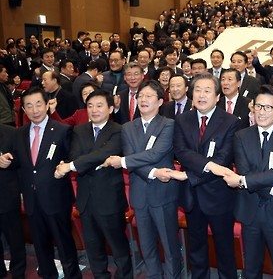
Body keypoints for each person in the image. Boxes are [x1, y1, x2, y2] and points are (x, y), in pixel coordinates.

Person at [104, 81, 182, 278]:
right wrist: (154, 173)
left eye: (149, 96)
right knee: (146, 246)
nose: (143, 99)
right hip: (140, 195)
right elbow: (134, 159)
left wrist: (123, 161)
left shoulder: (169, 124)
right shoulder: (128, 127)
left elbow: (156, 154)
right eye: (140, 96)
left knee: (169, 246)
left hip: (163, 195)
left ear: (160, 101)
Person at [54, 89, 132, 278]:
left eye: (99, 106)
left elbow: (105, 153)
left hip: (110, 200)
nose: (94, 110)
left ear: (110, 108)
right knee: (93, 248)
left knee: (118, 248)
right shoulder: (80, 129)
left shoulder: (119, 130)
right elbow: (77, 155)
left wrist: (76, 165)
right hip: (86, 200)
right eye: (90, 106)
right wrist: (92, 163)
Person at [6, 87, 81, 278]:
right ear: (23, 110)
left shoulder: (62, 130)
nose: (35, 109)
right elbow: (19, 161)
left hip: (56, 199)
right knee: (40, 246)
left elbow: (73, 157)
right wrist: (7, 159)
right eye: (29, 106)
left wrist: (67, 164)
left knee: (64, 244)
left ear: (47, 104)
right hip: (32, 199)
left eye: (39, 104)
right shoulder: (18, 133)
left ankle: (73, 275)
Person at [173, 73, 240, 279]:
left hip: (219, 196)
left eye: (207, 91)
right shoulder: (182, 119)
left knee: (224, 248)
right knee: (196, 248)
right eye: (198, 90)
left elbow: (224, 159)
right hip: (192, 196)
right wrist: (208, 165)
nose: (202, 95)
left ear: (218, 96)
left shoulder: (231, 121)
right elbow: (181, 152)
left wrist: (191, 176)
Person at [230, 85, 273, 278]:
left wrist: (244, 181)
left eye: (268, 107)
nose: (262, 111)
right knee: (251, 268)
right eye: (259, 106)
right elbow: (243, 169)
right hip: (250, 212)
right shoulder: (241, 136)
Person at [0, 123, 26, 279]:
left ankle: (18, 272)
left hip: (7, 194)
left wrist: (9, 161)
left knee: (15, 239)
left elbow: (21, 158)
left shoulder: (11, 132)